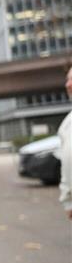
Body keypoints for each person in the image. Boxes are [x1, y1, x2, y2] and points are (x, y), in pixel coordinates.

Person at [58, 65, 72, 220]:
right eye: (68, 79)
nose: (68, 85)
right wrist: (68, 200)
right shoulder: (67, 123)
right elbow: (66, 164)